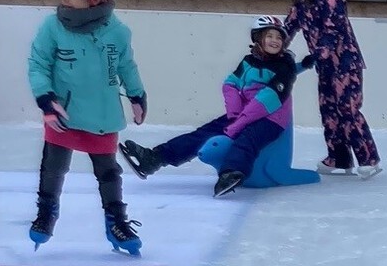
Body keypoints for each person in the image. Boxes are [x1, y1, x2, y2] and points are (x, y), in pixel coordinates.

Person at [26, 0, 147, 255]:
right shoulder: (52, 27)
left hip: (102, 113)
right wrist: (45, 98)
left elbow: (126, 66)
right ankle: (46, 212)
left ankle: (116, 220)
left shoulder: (117, 32)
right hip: (62, 112)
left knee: (108, 172)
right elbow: (38, 64)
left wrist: (136, 94)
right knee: (53, 167)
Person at [122, 17, 298, 197]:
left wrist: (239, 122)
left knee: (246, 138)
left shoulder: (285, 66)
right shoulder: (248, 61)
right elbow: (231, 83)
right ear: (258, 38)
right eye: (269, 36)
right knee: (203, 133)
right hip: (243, 113)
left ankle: (231, 173)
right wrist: (234, 112)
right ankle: (154, 159)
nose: (275, 41)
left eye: (279, 37)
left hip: (270, 118)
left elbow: (268, 99)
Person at [281, 0, 380, 178]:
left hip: (345, 63)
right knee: (329, 111)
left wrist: (316, 55)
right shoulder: (301, 1)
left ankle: (369, 158)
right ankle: (339, 158)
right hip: (325, 66)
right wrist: (272, 45)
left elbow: (332, 30)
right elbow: (289, 26)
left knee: (348, 109)